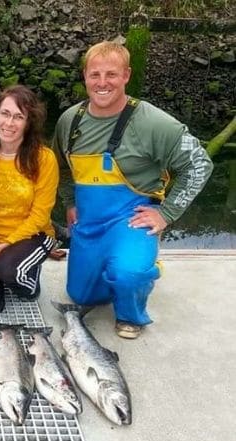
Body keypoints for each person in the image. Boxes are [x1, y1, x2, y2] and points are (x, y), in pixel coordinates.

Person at [52, 41, 213, 339]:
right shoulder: (69, 121)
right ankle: (125, 265)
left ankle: (133, 305)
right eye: (94, 74)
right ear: (84, 76)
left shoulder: (152, 121)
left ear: (126, 75)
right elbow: (60, 167)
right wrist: (70, 201)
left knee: (128, 274)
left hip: (130, 220)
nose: (102, 83)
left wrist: (166, 213)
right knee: (81, 296)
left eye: (111, 74)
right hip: (88, 223)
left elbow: (200, 163)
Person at [0, 85, 60, 317]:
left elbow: (40, 215)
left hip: (32, 235)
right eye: (5, 114)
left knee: (11, 272)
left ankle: (24, 280)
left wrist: (5, 246)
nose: (9, 123)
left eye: (19, 117)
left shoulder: (44, 159)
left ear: (29, 123)